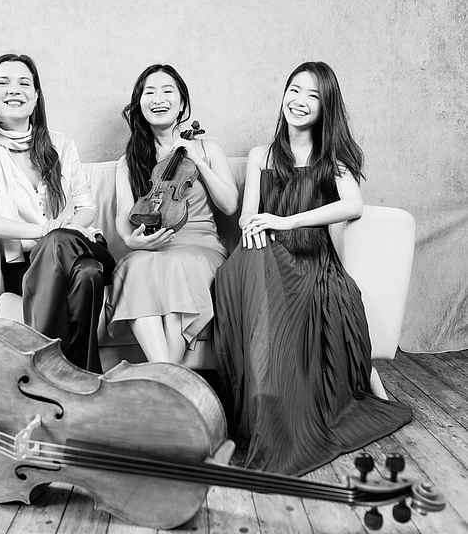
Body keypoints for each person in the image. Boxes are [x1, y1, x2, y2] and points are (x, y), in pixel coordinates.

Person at [213, 61, 412, 475]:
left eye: (313, 95)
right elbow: (247, 213)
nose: (299, 101)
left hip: (310, 262)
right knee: (248, 259)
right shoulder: (261, 155)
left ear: (325, 107)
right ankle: (266, 402)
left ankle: (277, 408)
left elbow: (353, 205)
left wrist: (286, 221)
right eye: (294, 90)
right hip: (263, 253)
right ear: (283, 94)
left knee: (261, 261)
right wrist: (255, 224)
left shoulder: (331, 158)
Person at [0, 53, 115, 373]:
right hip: (27, 266)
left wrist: (61, 232)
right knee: (88, 275)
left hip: (83, 246)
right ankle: (83, 378)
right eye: (3, 82)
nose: (15, 89)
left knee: (63, 244)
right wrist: (45, 232)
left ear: (36, 96)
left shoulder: (60, 144)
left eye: (24, 83)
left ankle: (46, 370)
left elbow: (87, 209)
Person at [105, 64, 239, 364]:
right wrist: (131, 240)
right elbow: (124, 213)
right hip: (153, 245)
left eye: (167, 91)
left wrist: (198, 162)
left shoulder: (207, 148)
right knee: (135, 266)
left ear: (182, 103)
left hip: (200, 246)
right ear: (140, 104)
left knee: (175, 264)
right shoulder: (130, 160)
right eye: (149, 92)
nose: (158, 99)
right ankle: (168, 375)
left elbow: (230, 204)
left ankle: (162, 376)